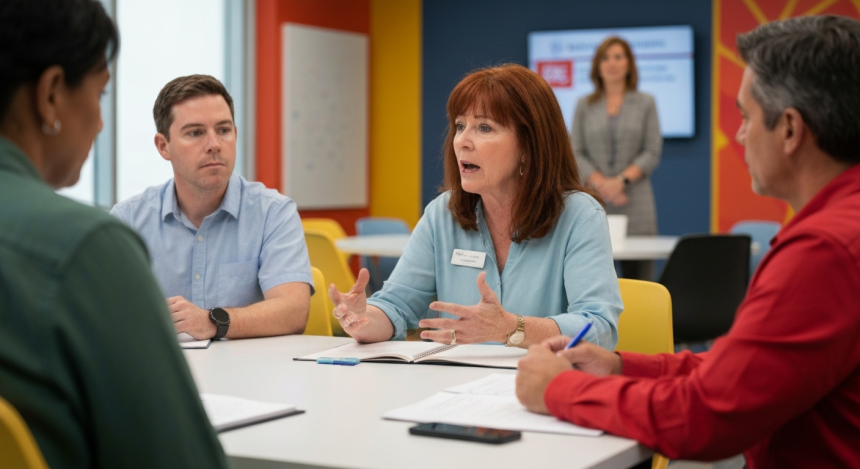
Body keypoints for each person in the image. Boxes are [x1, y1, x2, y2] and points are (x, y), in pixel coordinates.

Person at [516, 15, 860, 468]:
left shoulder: (823, 252)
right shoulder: (841, 227)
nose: (739, 135)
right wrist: (620, 366)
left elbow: (706, 417)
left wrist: (559, 389)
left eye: (745, 117)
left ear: (791, 130)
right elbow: (741, 375)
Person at [0, 1, 229, 467]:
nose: (101, 122)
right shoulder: (86, 247)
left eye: (223, 129)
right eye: (100, 94)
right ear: (51, 95)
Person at [329, 64, 622, 349]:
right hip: (456, 379)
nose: (462, 142)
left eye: (484, 127)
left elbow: (598, 327)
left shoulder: (579, 215)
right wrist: (365, 320)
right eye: (460, 126)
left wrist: (511, 328)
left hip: (543, 377)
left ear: (528, 146)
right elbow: (396, 306)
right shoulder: (442, 214)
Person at [111, 75, 312, 340]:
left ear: (235, 135)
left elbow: (294, 311)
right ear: (163, 146)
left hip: (250, 365)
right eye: (195, 133)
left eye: (223, 130)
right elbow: (104, 312)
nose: (214, 145)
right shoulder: (128, 221)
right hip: (161, 363)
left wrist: (212, 321)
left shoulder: (273, 213)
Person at [570, 36, 662, 280]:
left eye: (618, 57)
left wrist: (619, 182)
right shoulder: (584, 105)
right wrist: (603, 184)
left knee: (639, 279)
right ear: (597, 66)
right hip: (594, 201)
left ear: (629, 63)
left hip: (635, 200)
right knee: (595, 276)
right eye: (605, 57)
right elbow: (575, 151)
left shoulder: (646, 102)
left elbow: (652, 151)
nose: (611, 63)